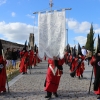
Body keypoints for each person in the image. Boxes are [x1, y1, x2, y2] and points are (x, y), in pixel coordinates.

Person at [90, 35, 100, 100]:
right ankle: (99, 93)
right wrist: (93, 60)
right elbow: (91, 63)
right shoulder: (95, 57)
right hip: (98, 72)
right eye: (99, 52)